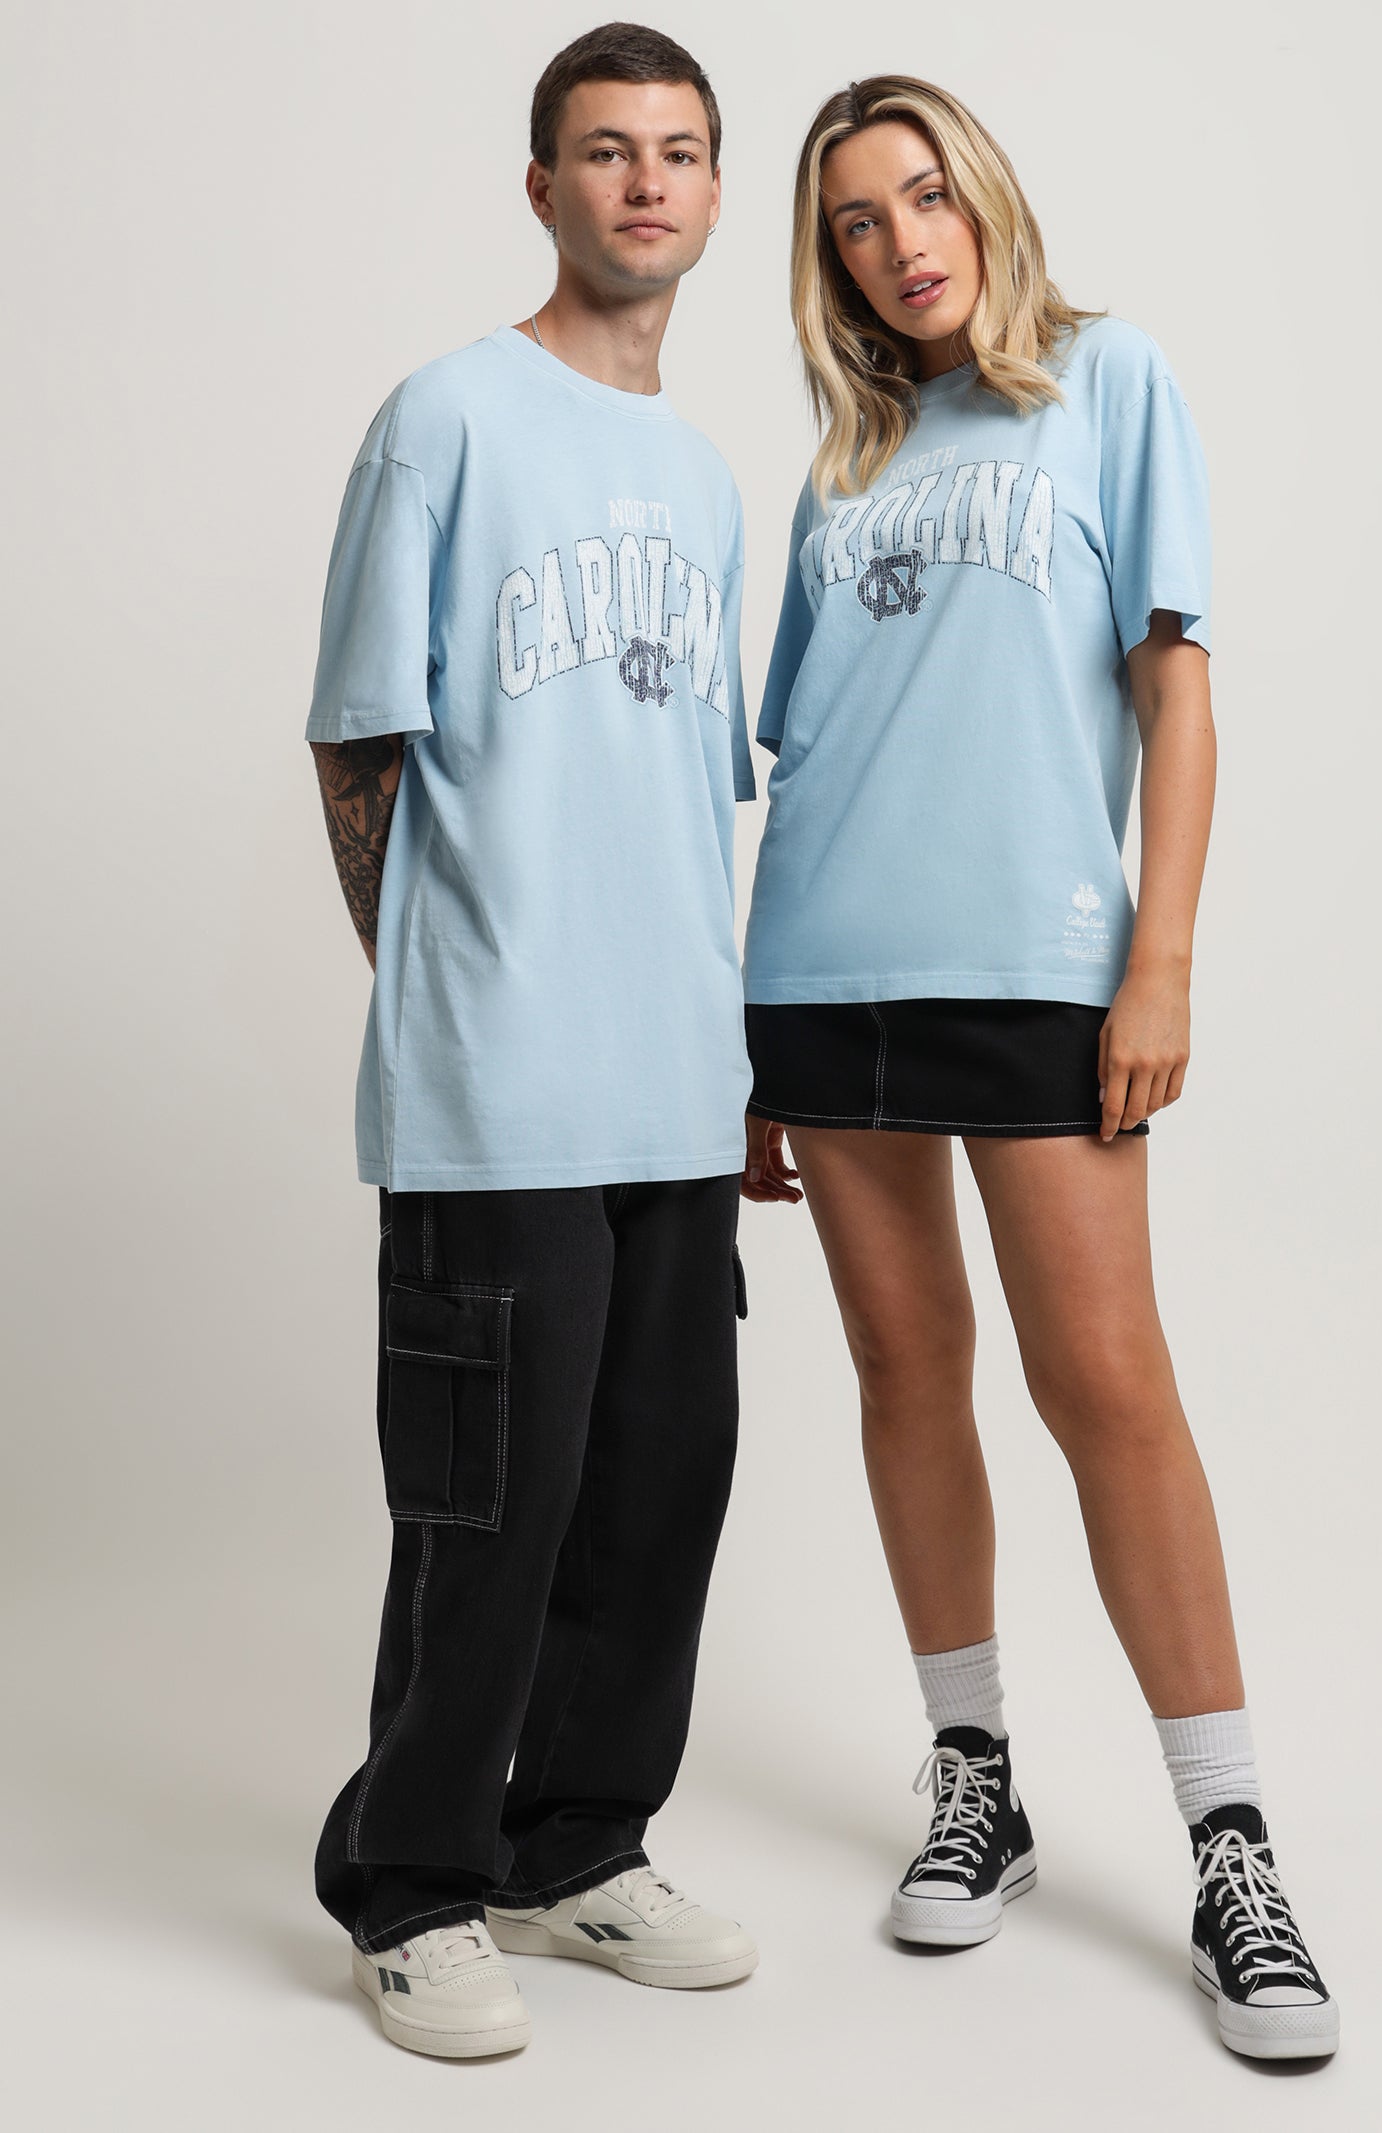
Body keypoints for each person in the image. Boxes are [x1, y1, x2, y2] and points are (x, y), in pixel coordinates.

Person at [740, 75, 1339, 2062]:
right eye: (855, 221)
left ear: (983, 195)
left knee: (1104, 1383)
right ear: (827, 261)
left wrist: (1156, 957)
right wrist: (745, 1023)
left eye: (924, 196)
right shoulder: (843, 460)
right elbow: (805, 756)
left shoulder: (1110, 380)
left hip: (1038, 970)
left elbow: (1178, 691)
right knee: (903, 1365)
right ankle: (974, 1777)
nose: (900, 242)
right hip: (822, 970)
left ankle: (1232, 1841)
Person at [304, 23, 759, 2059]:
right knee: (483, 1507)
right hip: (498, 1086)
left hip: (675, 1088)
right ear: (541, 185)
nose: (644, 182)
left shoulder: (704, 477)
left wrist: (732, 1062)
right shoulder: (447, 419)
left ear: (713, 192)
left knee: (656, 1494)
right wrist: (438, 997)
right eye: (604, 149)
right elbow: (357, 744)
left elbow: (679, 793)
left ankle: (575, 1847)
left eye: (677, 151)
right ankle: (410, 1882)